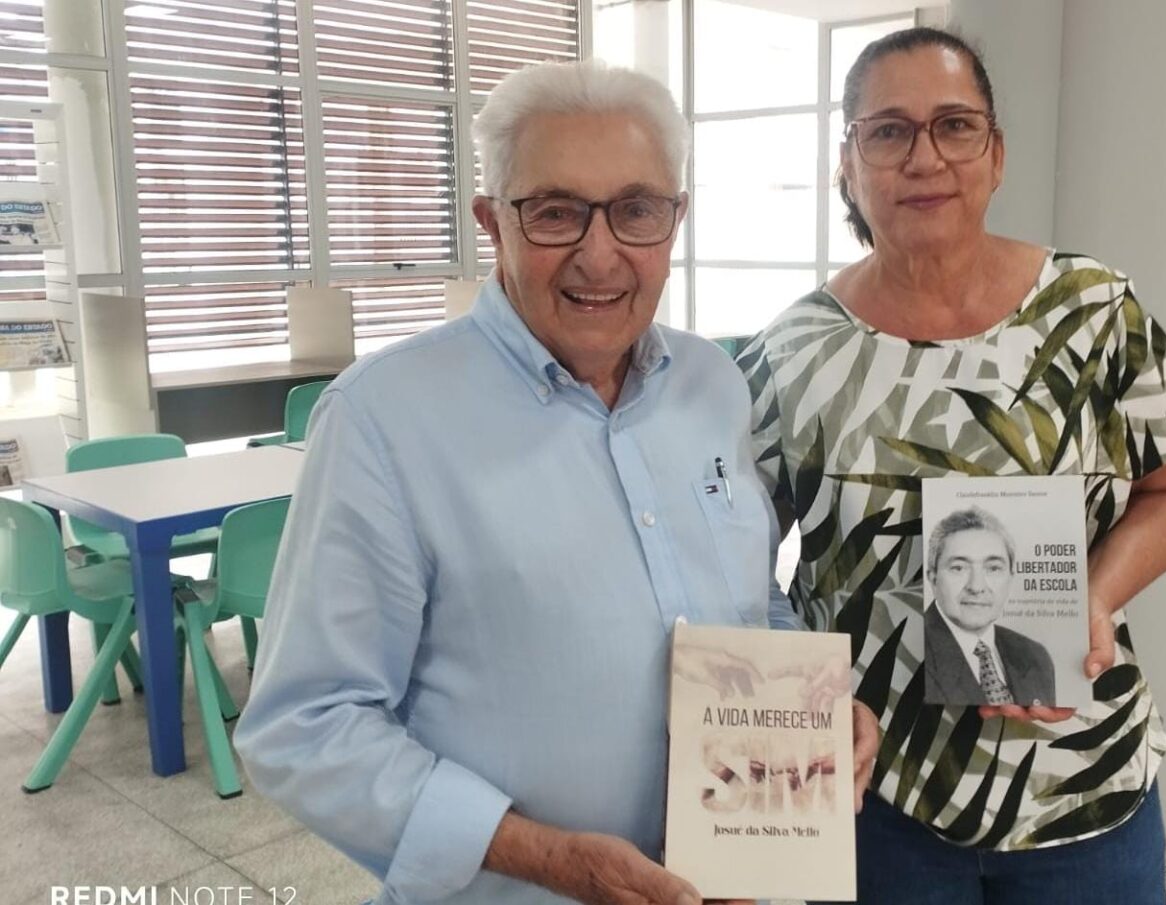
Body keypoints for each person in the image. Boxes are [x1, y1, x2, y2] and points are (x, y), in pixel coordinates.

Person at [234, 60, 876, 905]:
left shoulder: (713, 385)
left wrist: (814, 706)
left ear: (675, 220)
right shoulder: (383, 420)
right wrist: (550, 858)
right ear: (492, 223)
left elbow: (751, 602)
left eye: (636, 210)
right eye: (555, 212)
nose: (599, 255)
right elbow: (307, 726)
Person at [736, 27, 1166, 905]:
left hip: (1083, 784)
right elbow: (732, 553)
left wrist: (1095, 595)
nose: (925, 158)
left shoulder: (1094, 312)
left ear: (996, 155)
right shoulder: (791, 352)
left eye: (955, 126)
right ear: (847, 163)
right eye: (888, 131)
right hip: (875, 798)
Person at [923, 507, 1055, 707]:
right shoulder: (914, 653)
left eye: (993, 568)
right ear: (933, 578)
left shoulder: (1035, 656)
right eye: (958, 568)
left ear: (1010, 578)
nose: (976, 587)